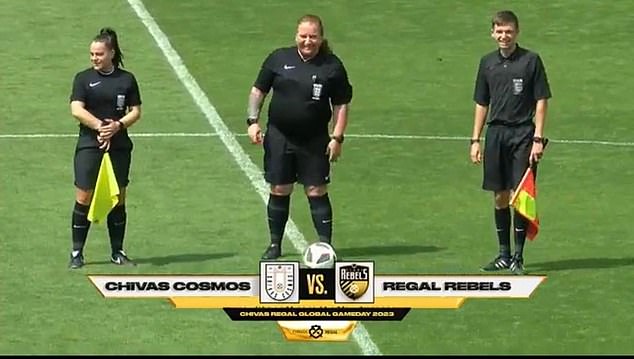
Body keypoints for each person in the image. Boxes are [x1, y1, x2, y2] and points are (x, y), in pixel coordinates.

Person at [246, 14, 353, 260]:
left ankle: (325, 246)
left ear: (321, 37)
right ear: (296, 36)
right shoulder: (278, 59)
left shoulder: (332, 66)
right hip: (279, 137)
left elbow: (341, 104)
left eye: (313, 36)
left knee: (316, 190)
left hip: (314, 140)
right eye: (303, 36)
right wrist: (252, 122)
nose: (307, 41)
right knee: (280, 189)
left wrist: (337, 138)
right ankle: (275, 245)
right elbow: (258, 91)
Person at [470, 10, 551, 275]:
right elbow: (482, 103)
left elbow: (541, 101)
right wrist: (475, 140)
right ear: (492, 33)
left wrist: (538, 137)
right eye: (499, 31)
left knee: (521, 195)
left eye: (509, 31)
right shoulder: (487, 63)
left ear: (516, 32)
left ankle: (518, 256)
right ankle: (503, 254)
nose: (504, 36)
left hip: (523, 135)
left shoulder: (531, 61)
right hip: (496, 135)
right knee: (500, 195)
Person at [68, 27, 142, 269]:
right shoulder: (83, 79)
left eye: (99, 54)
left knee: (118, 197)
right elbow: (76, 110)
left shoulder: (127, 79)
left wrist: (118, 126)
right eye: (92, 54)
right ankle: (77, 253)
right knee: (84, 196)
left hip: (119, 146)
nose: (94, 58)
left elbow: (136, 111)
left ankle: (117, 252)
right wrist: (102, 127)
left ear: (111, 53)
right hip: (90, 144)